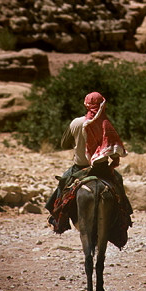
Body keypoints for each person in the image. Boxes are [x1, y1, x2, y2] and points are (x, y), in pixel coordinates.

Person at [45, 91, 132, 235]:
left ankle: (57, 219)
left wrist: (78, 142)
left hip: (79, 168)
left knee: (63, 182)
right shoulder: (106, 124)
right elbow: (115, 150)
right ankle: (126, 215)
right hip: (102, 169)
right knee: (119, 180)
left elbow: (63, 144)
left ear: (86, 105)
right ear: (103, 105)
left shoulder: (77, 123)